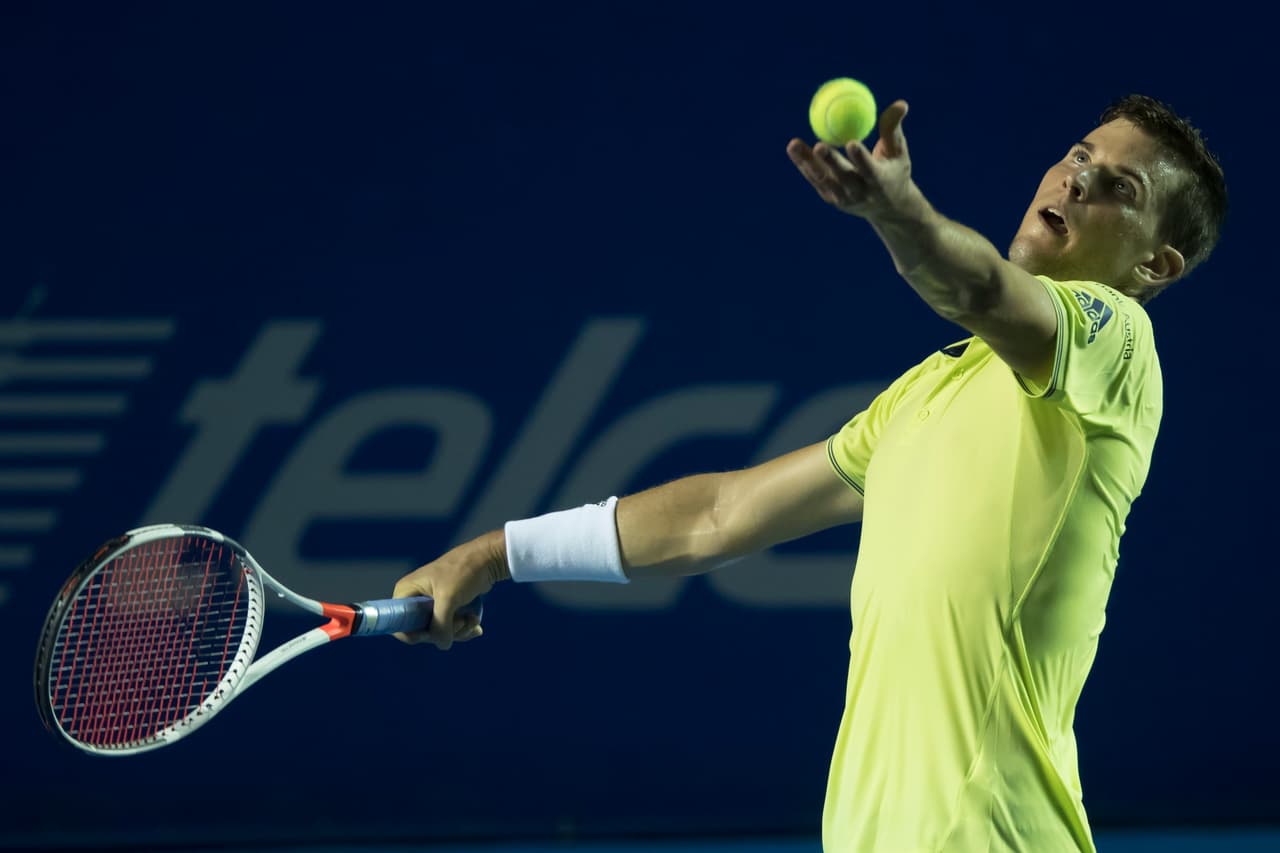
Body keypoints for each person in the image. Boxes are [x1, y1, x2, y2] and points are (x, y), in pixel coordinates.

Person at [392, 94, 1228, 852]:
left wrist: (899, 213)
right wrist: (496, 552)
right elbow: (717, 514)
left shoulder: (1118, 344)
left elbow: (975, 287)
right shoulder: (926, 393)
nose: (1080, 180)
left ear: (1155, 266)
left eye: (1120, 187)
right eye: (1079, 154)